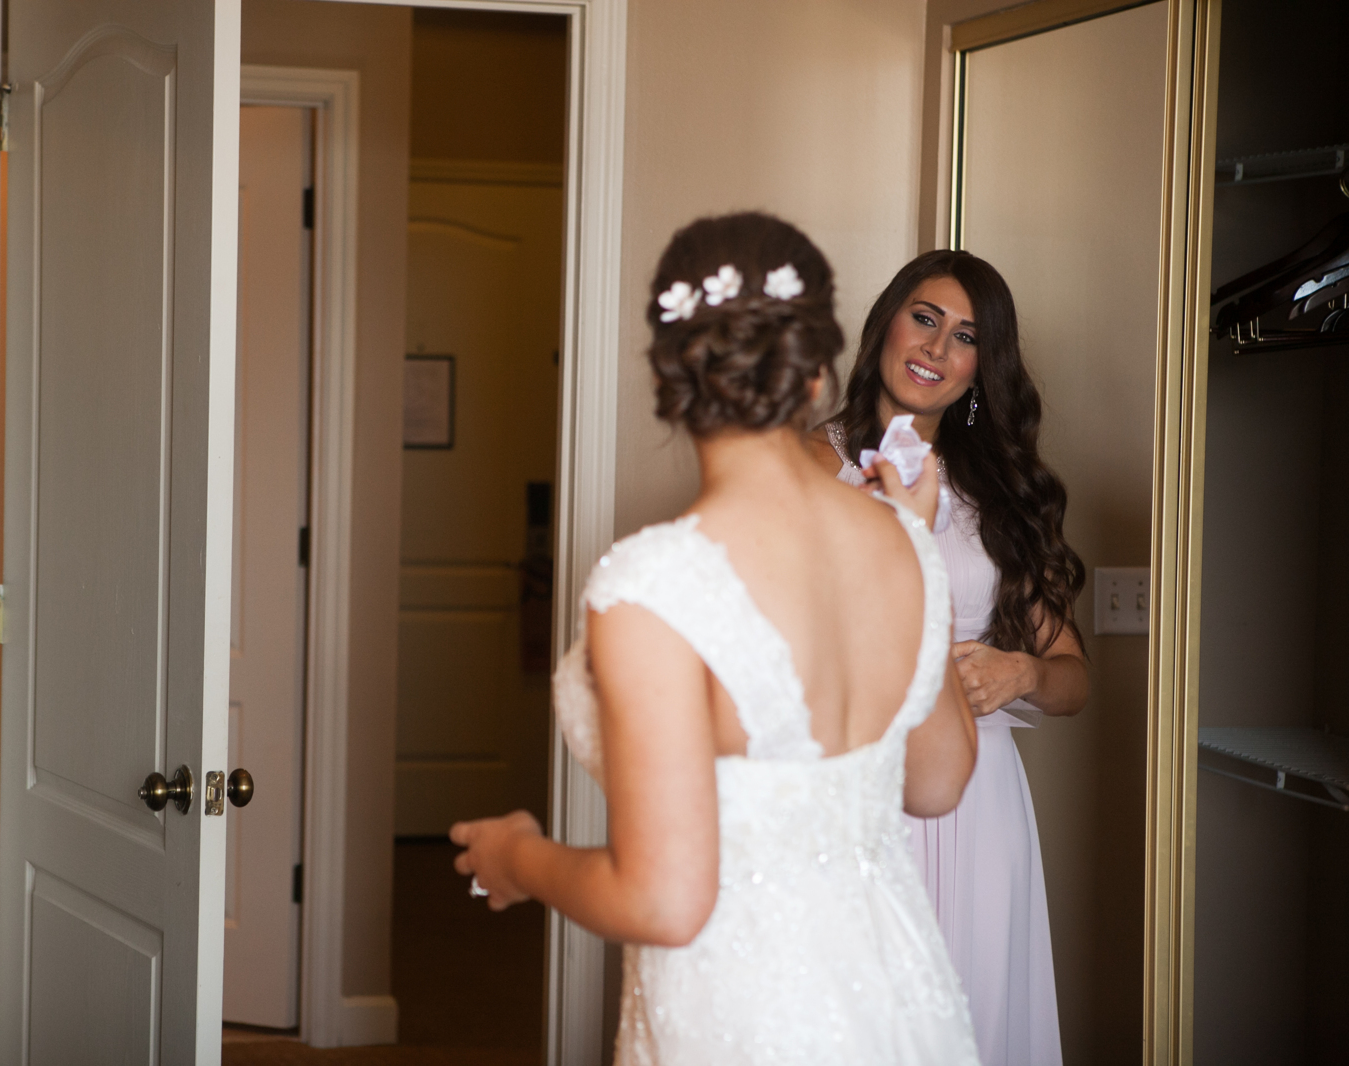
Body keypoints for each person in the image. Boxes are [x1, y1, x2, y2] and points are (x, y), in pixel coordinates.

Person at [450, 213, 981, 1065]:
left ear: (668, 372)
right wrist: (916, 551)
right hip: (899, 1004)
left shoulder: (657, 582)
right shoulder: (902, 543)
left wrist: (520, 856)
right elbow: (939, 781)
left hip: (744, 1017)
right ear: (817, 371)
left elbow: (663, 903)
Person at [813, 249, 1088, 1066]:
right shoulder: (807, 466)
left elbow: (1073, 680)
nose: (936, 347)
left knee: (973, 1018)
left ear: (979, 368)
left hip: (981, 798)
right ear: (886, 325)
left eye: (965, 336)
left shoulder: (1001, 495)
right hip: (852, 786)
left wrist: (1024, 672)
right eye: (925, 318)